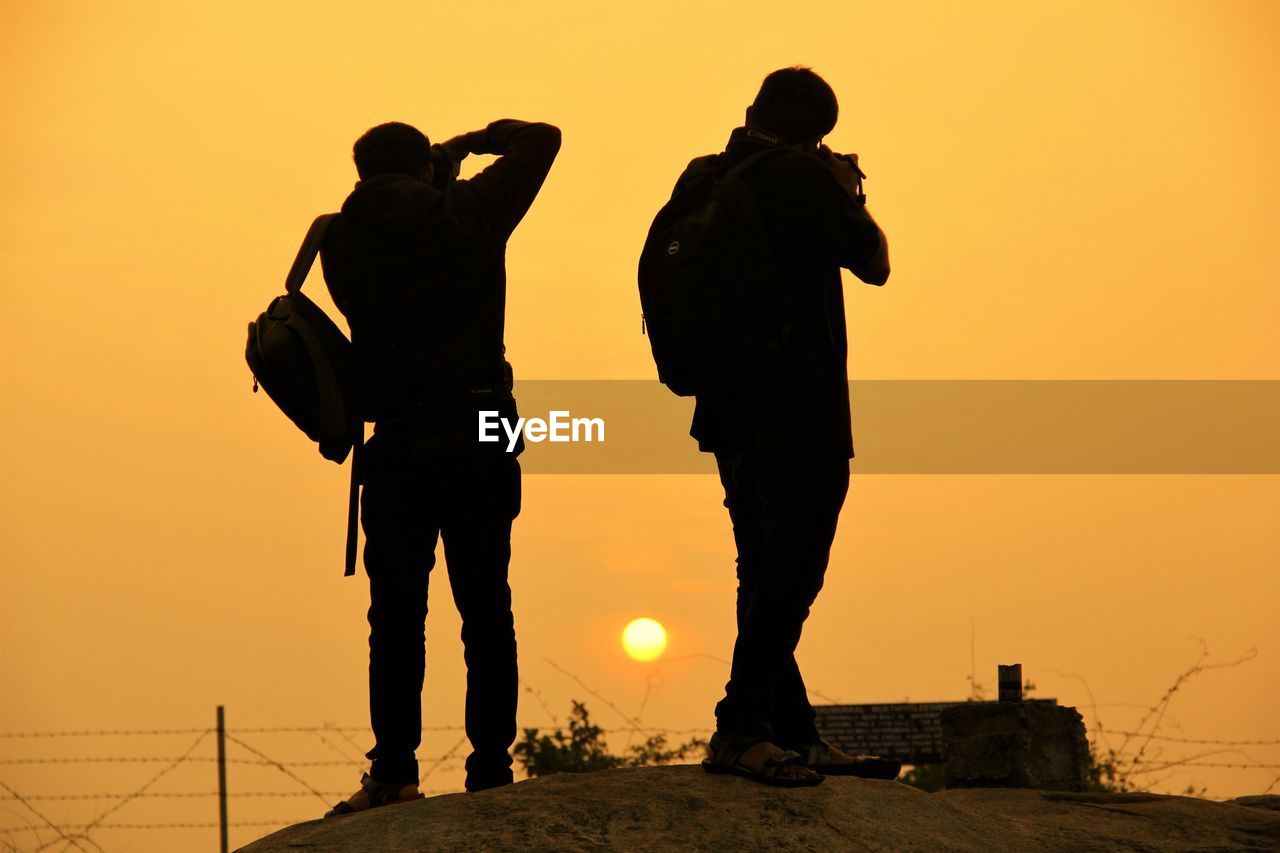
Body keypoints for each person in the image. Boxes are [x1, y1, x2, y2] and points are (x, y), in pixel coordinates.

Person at [659, 67, 895, 786]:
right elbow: (876, 263)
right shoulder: (801, 179)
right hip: (798, 404)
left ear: (754, 108)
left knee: (762, 565)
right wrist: (848, 188)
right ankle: (742, 728)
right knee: (794, 567)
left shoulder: (704, 175)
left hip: (728, 407)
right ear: (818, 131)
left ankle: (792, 731)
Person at [318, 117, 560, 814]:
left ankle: (393, 769)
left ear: (362, 172)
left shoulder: (339, 238)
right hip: (479, 425)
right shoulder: (469, 214)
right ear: (425, 167)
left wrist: (434, 171)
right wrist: (470, 144)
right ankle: (489, 767)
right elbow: (543, 137)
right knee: (486, 605)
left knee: (395, 614)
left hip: (394, 439)